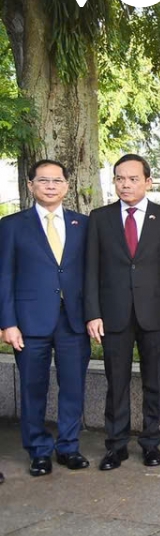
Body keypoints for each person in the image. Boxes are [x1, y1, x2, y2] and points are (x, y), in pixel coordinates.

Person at [85, 154, 160, 471]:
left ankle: (151, 443)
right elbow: (91, 271)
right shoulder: (99, 218)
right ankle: (116, 446)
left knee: (154, 383)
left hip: (154, 314)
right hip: (113, 315)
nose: (125, 184)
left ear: (148, 182)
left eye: (133, 179)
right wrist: (93, 313)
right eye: (119, 178)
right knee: (117, 383)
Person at [0, 160, 90, 476]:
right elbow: (5, 276)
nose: (50, 186)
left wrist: (93, 315)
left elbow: (91, 275)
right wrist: (7, 323)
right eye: (43, 180)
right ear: (30, 185)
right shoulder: (11, 226)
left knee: (73, 387)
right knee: (33, 388)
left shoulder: (83, 225)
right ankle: (38, 450)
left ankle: (68, 446)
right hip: (28, 322)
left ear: (67, 185)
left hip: (73, 321)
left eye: (57, 180)